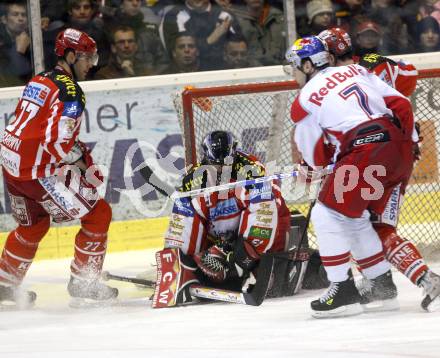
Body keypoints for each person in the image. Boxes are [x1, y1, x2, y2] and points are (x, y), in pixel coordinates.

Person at [285, 35, 420, 318]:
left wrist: (321, 167)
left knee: (325, 213)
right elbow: (402, 105)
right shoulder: (358, 70)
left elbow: (316, 159)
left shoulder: (304, 100)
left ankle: (342, 290)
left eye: (295, 67)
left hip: (364, 151)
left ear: (309, 66)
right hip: (398, 149)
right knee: (352, 216)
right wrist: (401, 144)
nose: (294, 74)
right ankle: (381, 285)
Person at [318, 27, 440, 312]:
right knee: (369, 223)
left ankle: (418, 279)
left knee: (354, 219)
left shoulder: (337, 79)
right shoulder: (371, 64)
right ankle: (384, 282)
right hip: (398, 155)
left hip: (370, 156)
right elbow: (409, 74)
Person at [0, 28, 117, 307]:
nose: (92, 64)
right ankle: (84, 281)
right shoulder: (71, 92)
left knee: (33, 225)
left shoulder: (40, 80)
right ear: (71, 55)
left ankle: (4, 283)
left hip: (10, 163)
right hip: (36, 170)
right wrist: (81, 163)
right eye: (87, 58)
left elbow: (29, 124)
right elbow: (60, 143)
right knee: (99, 214)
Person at [152, 131, 327, 307]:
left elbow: (263, 216)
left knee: (267, 273)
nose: (221, 169)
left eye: (226, 164)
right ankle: (193, 268)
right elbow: (182, 221)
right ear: (206, 159)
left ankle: (240, 267)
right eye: (215, 164)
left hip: (264, 239)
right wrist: (175, 261)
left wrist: (241, 258)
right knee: (187, 210)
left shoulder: (252, 170)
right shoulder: (194, 180)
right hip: (221, 242)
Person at [160, 0, 241, 71]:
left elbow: (239, 50)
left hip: (222, 71)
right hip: (187, 73)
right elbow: (178, 53)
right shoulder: (174, 15)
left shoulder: (225, 15)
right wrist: (210, 39)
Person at [103, 0, 169, 75]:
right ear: (121, 4)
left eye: (138, 0)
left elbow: (163, 63)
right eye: (130, 0)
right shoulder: (107, 29)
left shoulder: (149, 31)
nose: (135, 3)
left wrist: (148, 78)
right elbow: (102, 62)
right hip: (114, 81)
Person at [229, 0, 285, 65]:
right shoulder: (235, 20)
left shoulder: (281, 18)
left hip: (280, 70)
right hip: (249, 71)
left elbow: (296, 47)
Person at [0, 1, 32, 87]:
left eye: (24, 15)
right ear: (4, 19)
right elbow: (13, 75)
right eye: (15, 14)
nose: (20, 18)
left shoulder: (35, 39)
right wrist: (18, 51)